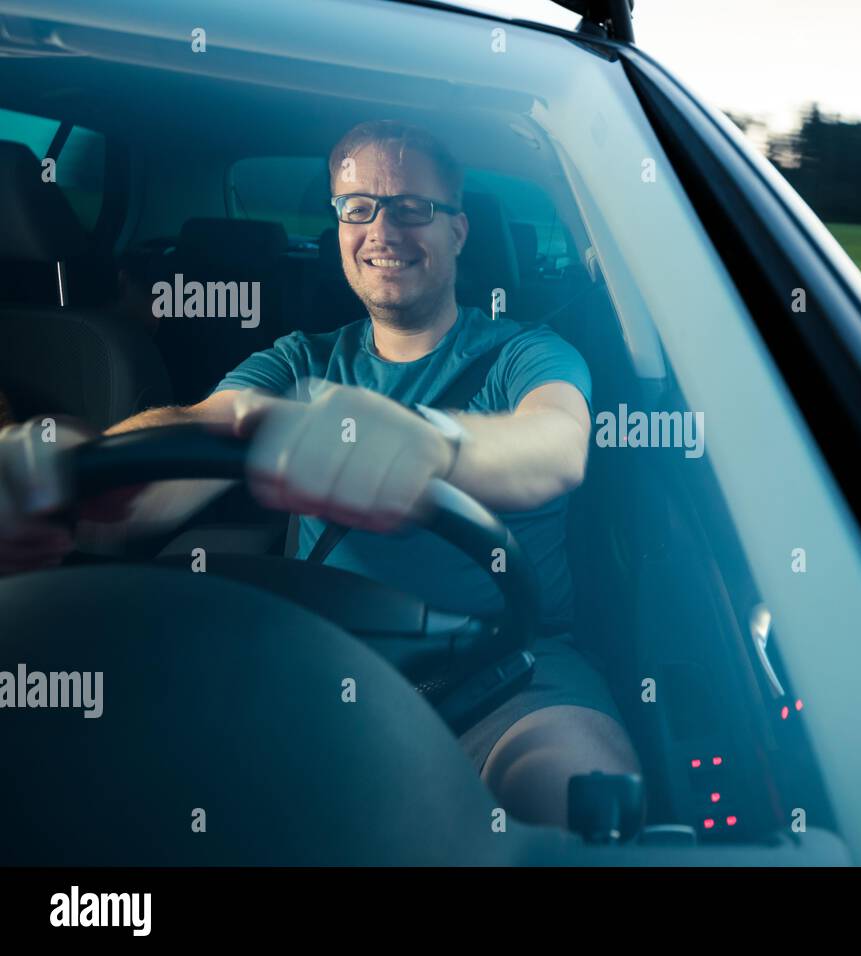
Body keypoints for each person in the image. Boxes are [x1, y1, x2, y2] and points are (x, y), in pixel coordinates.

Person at [0, 120, 639, 827]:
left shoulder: (527, 352)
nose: (383, 231)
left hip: (508, 671)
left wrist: (434, 443)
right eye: (358, 208)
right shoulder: (301, 360)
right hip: (318, 660)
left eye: (411, 208)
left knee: (572, 785)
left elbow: (553, 443)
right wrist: (68, 473)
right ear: (337, 225)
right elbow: (197, 432)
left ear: (458, 230)